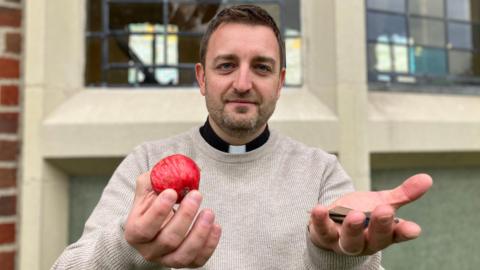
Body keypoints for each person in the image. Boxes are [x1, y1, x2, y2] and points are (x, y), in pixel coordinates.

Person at [52, 4, 432, 269]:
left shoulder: (321, 172)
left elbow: (352, 256)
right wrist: (129, 247)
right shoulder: (147, 163)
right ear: (202, 77)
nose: (243, 83)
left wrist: (340, 258)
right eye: (227, 65)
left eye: (262, 68)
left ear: (280, 82)